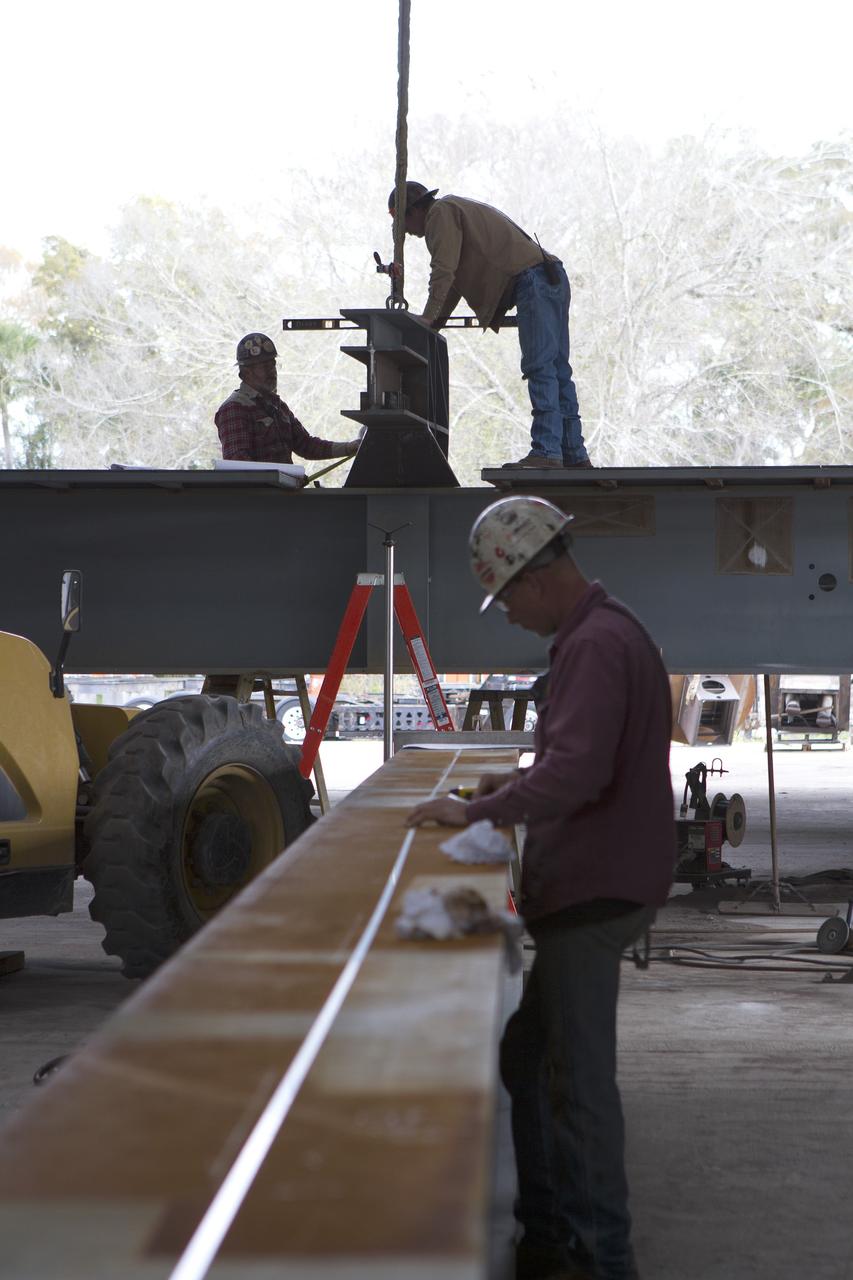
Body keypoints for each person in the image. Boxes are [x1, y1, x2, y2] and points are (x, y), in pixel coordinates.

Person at [407, 495, 675, 1280]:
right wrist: (514, 778)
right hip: (599, 879)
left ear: (536, 575)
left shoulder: (593, 644)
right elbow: (576, 761)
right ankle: (551, 1228)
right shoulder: (600, 631)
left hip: (595, 894)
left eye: (508, 598)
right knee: (530, 1059)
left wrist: (476, 808)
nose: (510, 616)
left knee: (576, 1083)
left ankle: (600, 1257)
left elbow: (581, 771)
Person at [388, 182, 591, 470]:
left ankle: (546, 451)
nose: (406, 232)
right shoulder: (455, 211)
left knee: (540, 367)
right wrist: (434, 324)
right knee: (557, 369)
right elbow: (455, 281)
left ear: (416, 210)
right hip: (551, 277)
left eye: (403, 223)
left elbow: (443, 271)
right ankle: (574, 454)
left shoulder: (439, 214)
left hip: (532, 281)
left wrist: (427, 318)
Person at [215, 332, 360, 467]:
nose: (272, 371)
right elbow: (239, 464)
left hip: (281, 492)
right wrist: (281, 478)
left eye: (273, 364)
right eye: (265, 366)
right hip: (259, 494)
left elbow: (306, 445)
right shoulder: (234, 409)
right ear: (246, 372)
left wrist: (349, 448)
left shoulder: (278, 406)